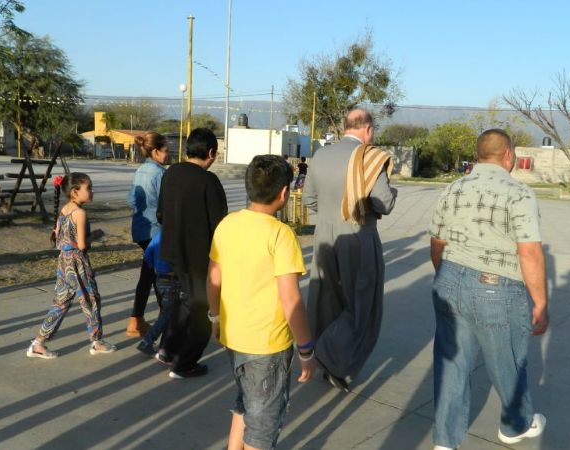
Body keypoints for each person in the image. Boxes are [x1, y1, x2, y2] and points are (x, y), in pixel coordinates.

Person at [428, 129, 549, 449]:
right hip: (495, 287)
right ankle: (515, 425)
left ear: (480, 155)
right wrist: (540, 302)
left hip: (449, 279)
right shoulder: (519, 193)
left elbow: (437, 242)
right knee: (508, 361)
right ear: (508, 155)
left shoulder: (452, 189)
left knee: (451, 362)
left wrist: (447, 277)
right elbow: (530, 252)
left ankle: (445, 440)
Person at [208, 154, 316, 450]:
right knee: (263, 426)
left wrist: (214, 318)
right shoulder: (281, 234)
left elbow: (213, 278)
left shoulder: (227, 224)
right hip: (267, 346)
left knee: (245, 403)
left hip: (234, 336)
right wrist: (306, 350)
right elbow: (291, 298)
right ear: (284, 193)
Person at [302, 108, 397, 391]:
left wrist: (331, 215)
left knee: (327, 299)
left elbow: (309, 199)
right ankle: (335, 360)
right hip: (358, 234)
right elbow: (383, 203)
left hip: (325, 236)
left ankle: (325, 353)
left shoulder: (320, 155)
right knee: (361, 304)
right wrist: (393, 193)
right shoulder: (370, 157)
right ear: (367, 129)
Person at [156, 127, 227, 379]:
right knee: (203, 308)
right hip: (199, 256)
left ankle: (167, 349)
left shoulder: (170, 173)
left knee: (184, 302)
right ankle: (184, 364)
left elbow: (161, 212)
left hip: (172, 251)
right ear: (211, 153)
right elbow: (221, 225)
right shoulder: (208, 181)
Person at [26, 173, 115, 359]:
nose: (92, 191)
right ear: (75, 192)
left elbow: (59, 236)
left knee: (61, 303)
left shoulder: (65, 209)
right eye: (88, 188)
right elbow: (81, 244)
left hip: (63, 262)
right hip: (77, 262)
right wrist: (97, 234)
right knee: (91, 299)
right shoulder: (80, 213)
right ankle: (97, 341)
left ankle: (38, 343)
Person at [125, 131, 169, 337]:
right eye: (166, 151)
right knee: (158, 275)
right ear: (156, 151)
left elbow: (131, 200)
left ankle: (136, 320)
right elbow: (167, 203)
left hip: (140, 229)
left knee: (148, 274)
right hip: (155, 230)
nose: (168, 155)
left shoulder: (140, 170)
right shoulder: (161, 173)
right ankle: (162, 318)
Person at [135, 232, 183, 357]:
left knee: (168, 312)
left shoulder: (158, 236)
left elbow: (148, 254)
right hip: (172, 279)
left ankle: (165, 345)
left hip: (159, 278)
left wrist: (154, 265)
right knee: (169, 314)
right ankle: (148, 341)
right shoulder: (176, 237)